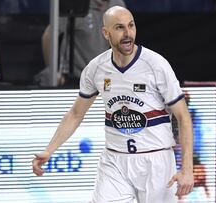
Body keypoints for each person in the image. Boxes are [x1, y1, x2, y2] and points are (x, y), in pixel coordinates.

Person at [32, 6, 194, 203]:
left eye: (131, 26)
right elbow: (76, 114)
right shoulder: (96, 68)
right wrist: (49, 150)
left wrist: (187, 170)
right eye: (119, 28)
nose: (127, 34)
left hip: (156, 161)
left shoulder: (156, 64)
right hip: (115, 160)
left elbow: (183, 117)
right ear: (105, 33)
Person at [36, 0, 125, 87]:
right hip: (76, 79)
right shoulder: (76, 4)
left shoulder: (117, 5)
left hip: (105, 78)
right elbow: (48, 36)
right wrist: (52, 71)